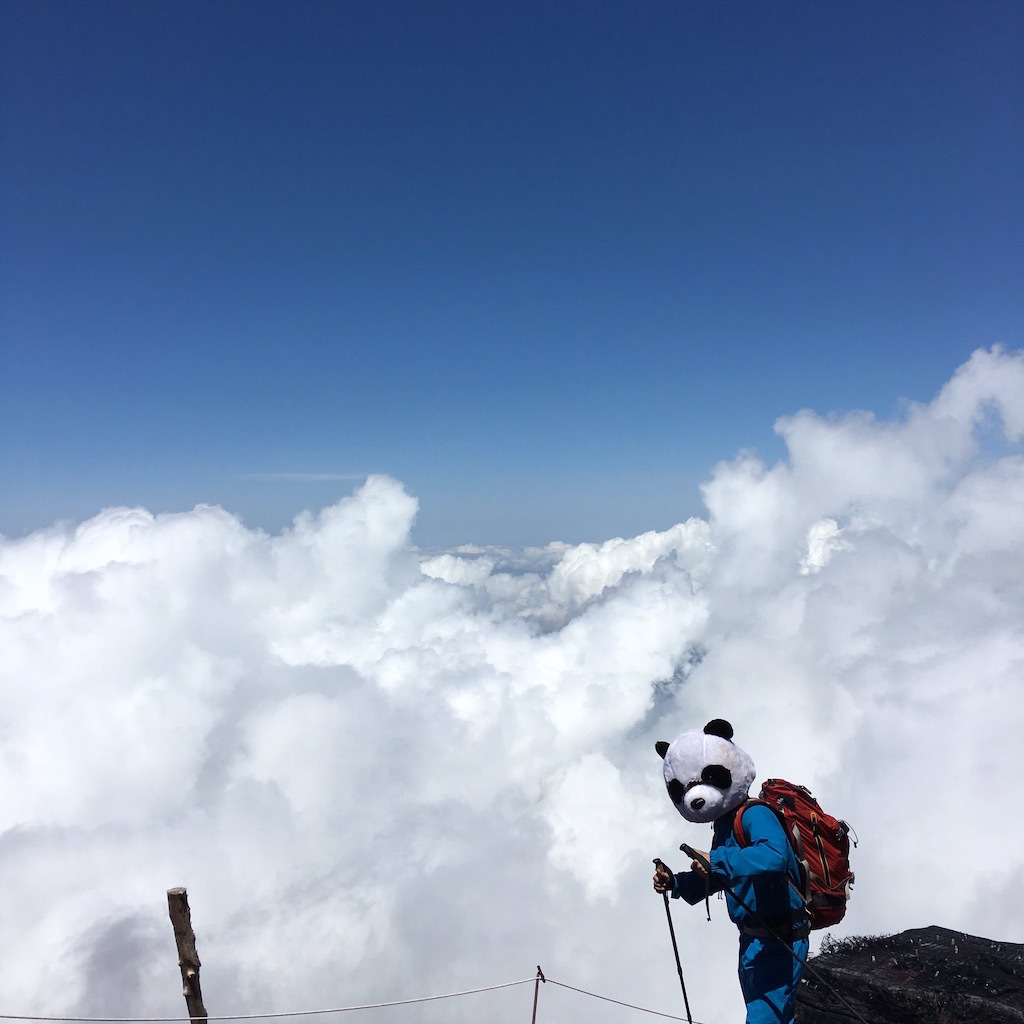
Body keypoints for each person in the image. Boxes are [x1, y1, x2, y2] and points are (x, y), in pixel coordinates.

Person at [653, 719, 808, 1024]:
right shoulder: (726, 825)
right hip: (755, 939)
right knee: (770, 1014)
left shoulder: (756, 814)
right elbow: (724, 875)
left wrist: (717, 859)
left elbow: (774, 857)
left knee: (765, 1018)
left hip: (781, 938)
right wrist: (677, 883)